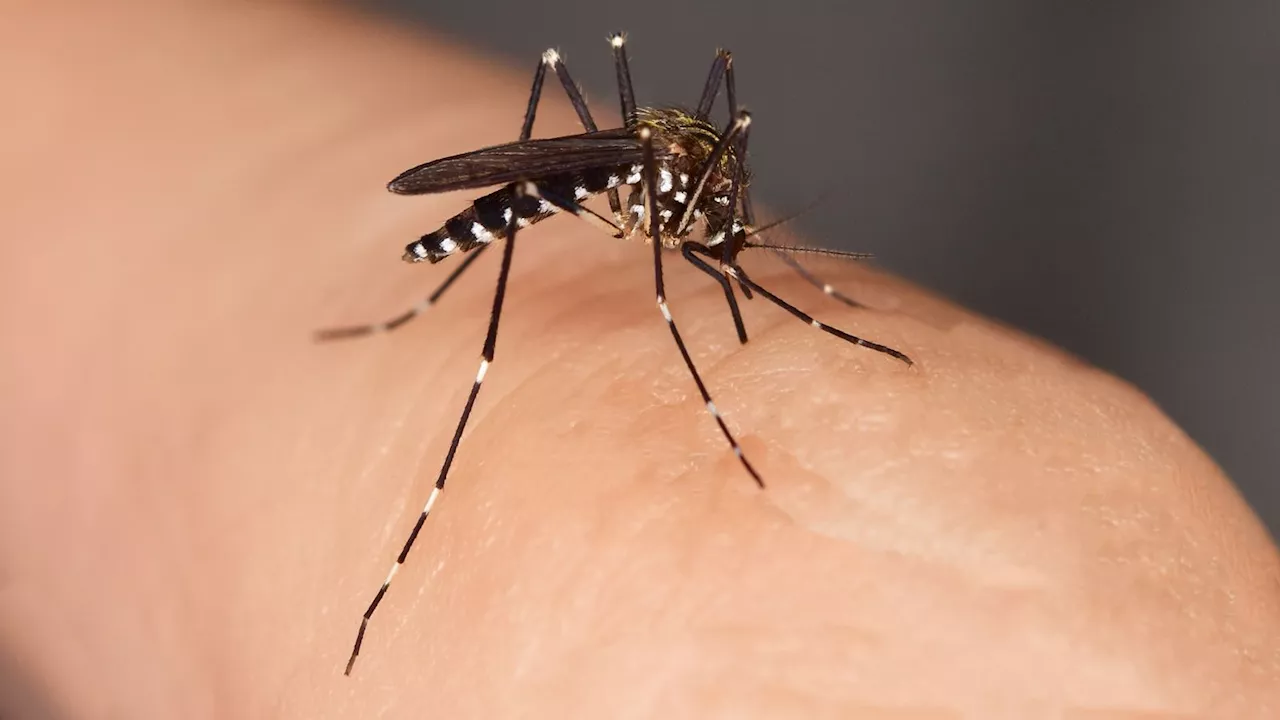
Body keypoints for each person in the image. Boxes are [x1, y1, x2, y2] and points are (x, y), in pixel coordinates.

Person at [2, 2, 1276, 717]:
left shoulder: (708, 172)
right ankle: (442, 372)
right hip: (559, 181)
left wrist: (802, 290)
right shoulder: (653, 190)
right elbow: (665, 257)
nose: (717, 240)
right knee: (573, 156)